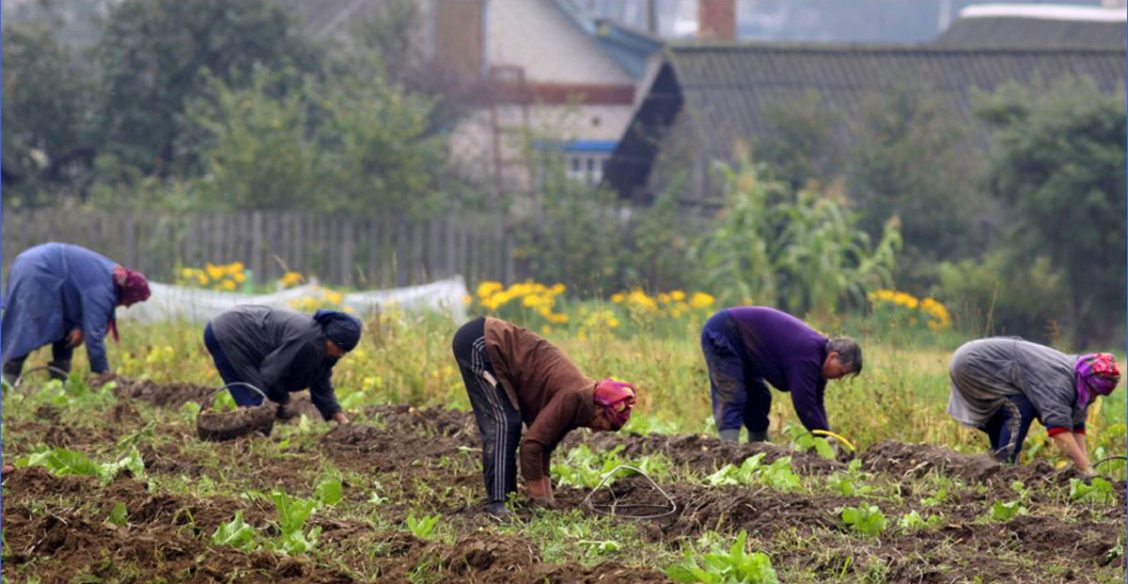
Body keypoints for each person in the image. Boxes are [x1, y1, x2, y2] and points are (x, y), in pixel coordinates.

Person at [451, 316, 637, 519]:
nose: (595, 430)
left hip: (486, 341)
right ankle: (498, 504)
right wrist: (539, 502)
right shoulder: (574, 397)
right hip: (481, 342)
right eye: (602, 425)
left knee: (510, 424)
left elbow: (544, 445)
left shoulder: (580, 403)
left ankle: (508, 502)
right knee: (504, 423)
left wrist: (549, 500)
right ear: (600, 408)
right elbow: (531, 446)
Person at [947, 337, 1119, 475]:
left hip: (978, 361)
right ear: (1088, 384)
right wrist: (1086, 469)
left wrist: (1085, 466)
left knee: (1014, 408)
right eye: (1095, 392)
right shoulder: (1060, 382)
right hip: (973, 363)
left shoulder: (1079, 379)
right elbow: (1060, 433)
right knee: (1021, 407)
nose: (1095, 398)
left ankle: (994, 463)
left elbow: (1076, 426)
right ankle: (1005, 468)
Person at [700, 306, 861, 443]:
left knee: (759, 397)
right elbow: (804, 404)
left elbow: (816, 401)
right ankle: (728, 452)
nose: (839, 378)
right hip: (725, 332)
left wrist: (827, 436)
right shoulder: (808, 354)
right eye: (841, 372)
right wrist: (824, 439)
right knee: (732, 394)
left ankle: (758, 450)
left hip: (746, 349)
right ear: (832, 356)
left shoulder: (818, 359)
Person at [1, 242, 151, 384]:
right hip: (39, 271)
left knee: (66, 331)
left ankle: (58, 386)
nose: (128, 306)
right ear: (128, 292)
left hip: (40, 267)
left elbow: (78, 291)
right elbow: (94, 337)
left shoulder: (109, 276)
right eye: (132, 300)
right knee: (26, 330)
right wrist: (105, 375)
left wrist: (79, 326)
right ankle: (7, 384)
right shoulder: (103, 290)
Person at [204, 305, 361, 424]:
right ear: (330, 336)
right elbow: (271, 373)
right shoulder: (307, 339)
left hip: (240, 333)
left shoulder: (327, 349)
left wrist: (342, 421)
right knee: (255, 403)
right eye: (339, 348)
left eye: (345, 351)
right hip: (229, 332)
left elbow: (321, 383)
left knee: (260, 405)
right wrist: (284, 401)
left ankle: (254, 442)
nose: (341, 354)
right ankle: (246, 448)